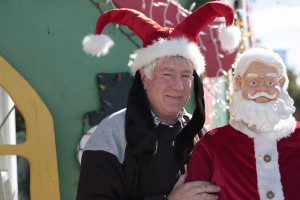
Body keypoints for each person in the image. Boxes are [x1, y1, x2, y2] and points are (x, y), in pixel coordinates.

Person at [76, 1, 240, 200]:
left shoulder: (199, 133)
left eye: (186, 76)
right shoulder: (111, 134)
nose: (178, 86)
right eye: (168, 74)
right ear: (145, 78)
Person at [185, 47, 300, 199]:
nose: (261, 88)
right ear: (239, 84)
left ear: (282, 83)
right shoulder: (211, 146)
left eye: (270, 82)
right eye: (252, 82)